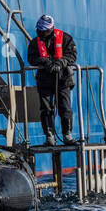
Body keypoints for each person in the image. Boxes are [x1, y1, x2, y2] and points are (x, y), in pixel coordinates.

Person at [26, 14, 77, 146]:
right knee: (46, 109)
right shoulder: (35, 43)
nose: (40, 33)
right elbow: (31, 57)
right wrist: (45, 62)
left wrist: (61, 63)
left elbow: (72, 55)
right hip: (44, 81)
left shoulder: (65, 39)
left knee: (65, 108)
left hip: (63, 80)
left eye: (43, 31)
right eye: (39, 30)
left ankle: (67, 135)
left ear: (51, 29)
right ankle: (50, 137)